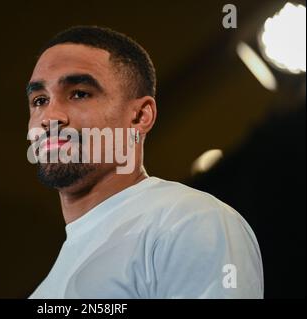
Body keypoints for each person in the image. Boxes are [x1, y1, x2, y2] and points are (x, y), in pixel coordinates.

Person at [25, 25, 263, 298]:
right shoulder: (46, 291)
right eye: (40, 100)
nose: (49, 117)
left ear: (140, 116)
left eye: (79, 93)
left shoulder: (187, 219)